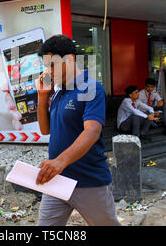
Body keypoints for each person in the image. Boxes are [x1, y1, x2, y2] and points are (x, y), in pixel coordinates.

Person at [35, 34, 121, 226]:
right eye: (46, 65)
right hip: (56, 180)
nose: (48, 71)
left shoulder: (91, 88)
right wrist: (42, 96)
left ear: (71, 59)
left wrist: (59, 161)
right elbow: (45, 129)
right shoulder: (58, 91)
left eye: (52, 65)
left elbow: (91, 132)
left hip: (88, 181)